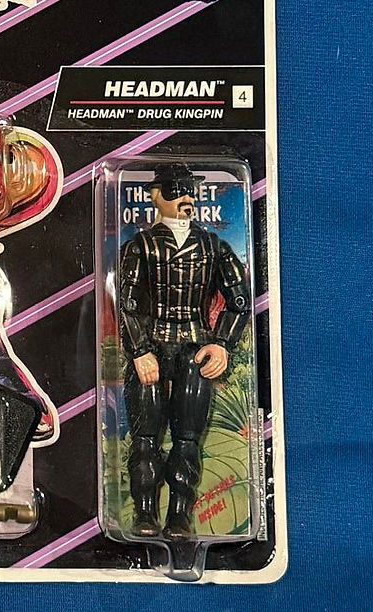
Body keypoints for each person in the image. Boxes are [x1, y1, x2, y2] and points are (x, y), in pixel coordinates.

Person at [119, 163, 250, 539]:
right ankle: (144, 513)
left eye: (189, 190)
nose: (185, 197)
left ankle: (179, 515)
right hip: (152, 347)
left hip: (195, 349)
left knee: (187, 437)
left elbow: (239, 300)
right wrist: (139, 350)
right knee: (145, 436)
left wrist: (221, 344)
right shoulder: (140, 246)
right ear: (155, 196)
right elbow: (127, 303)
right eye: (175, 190)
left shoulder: (213, 247)